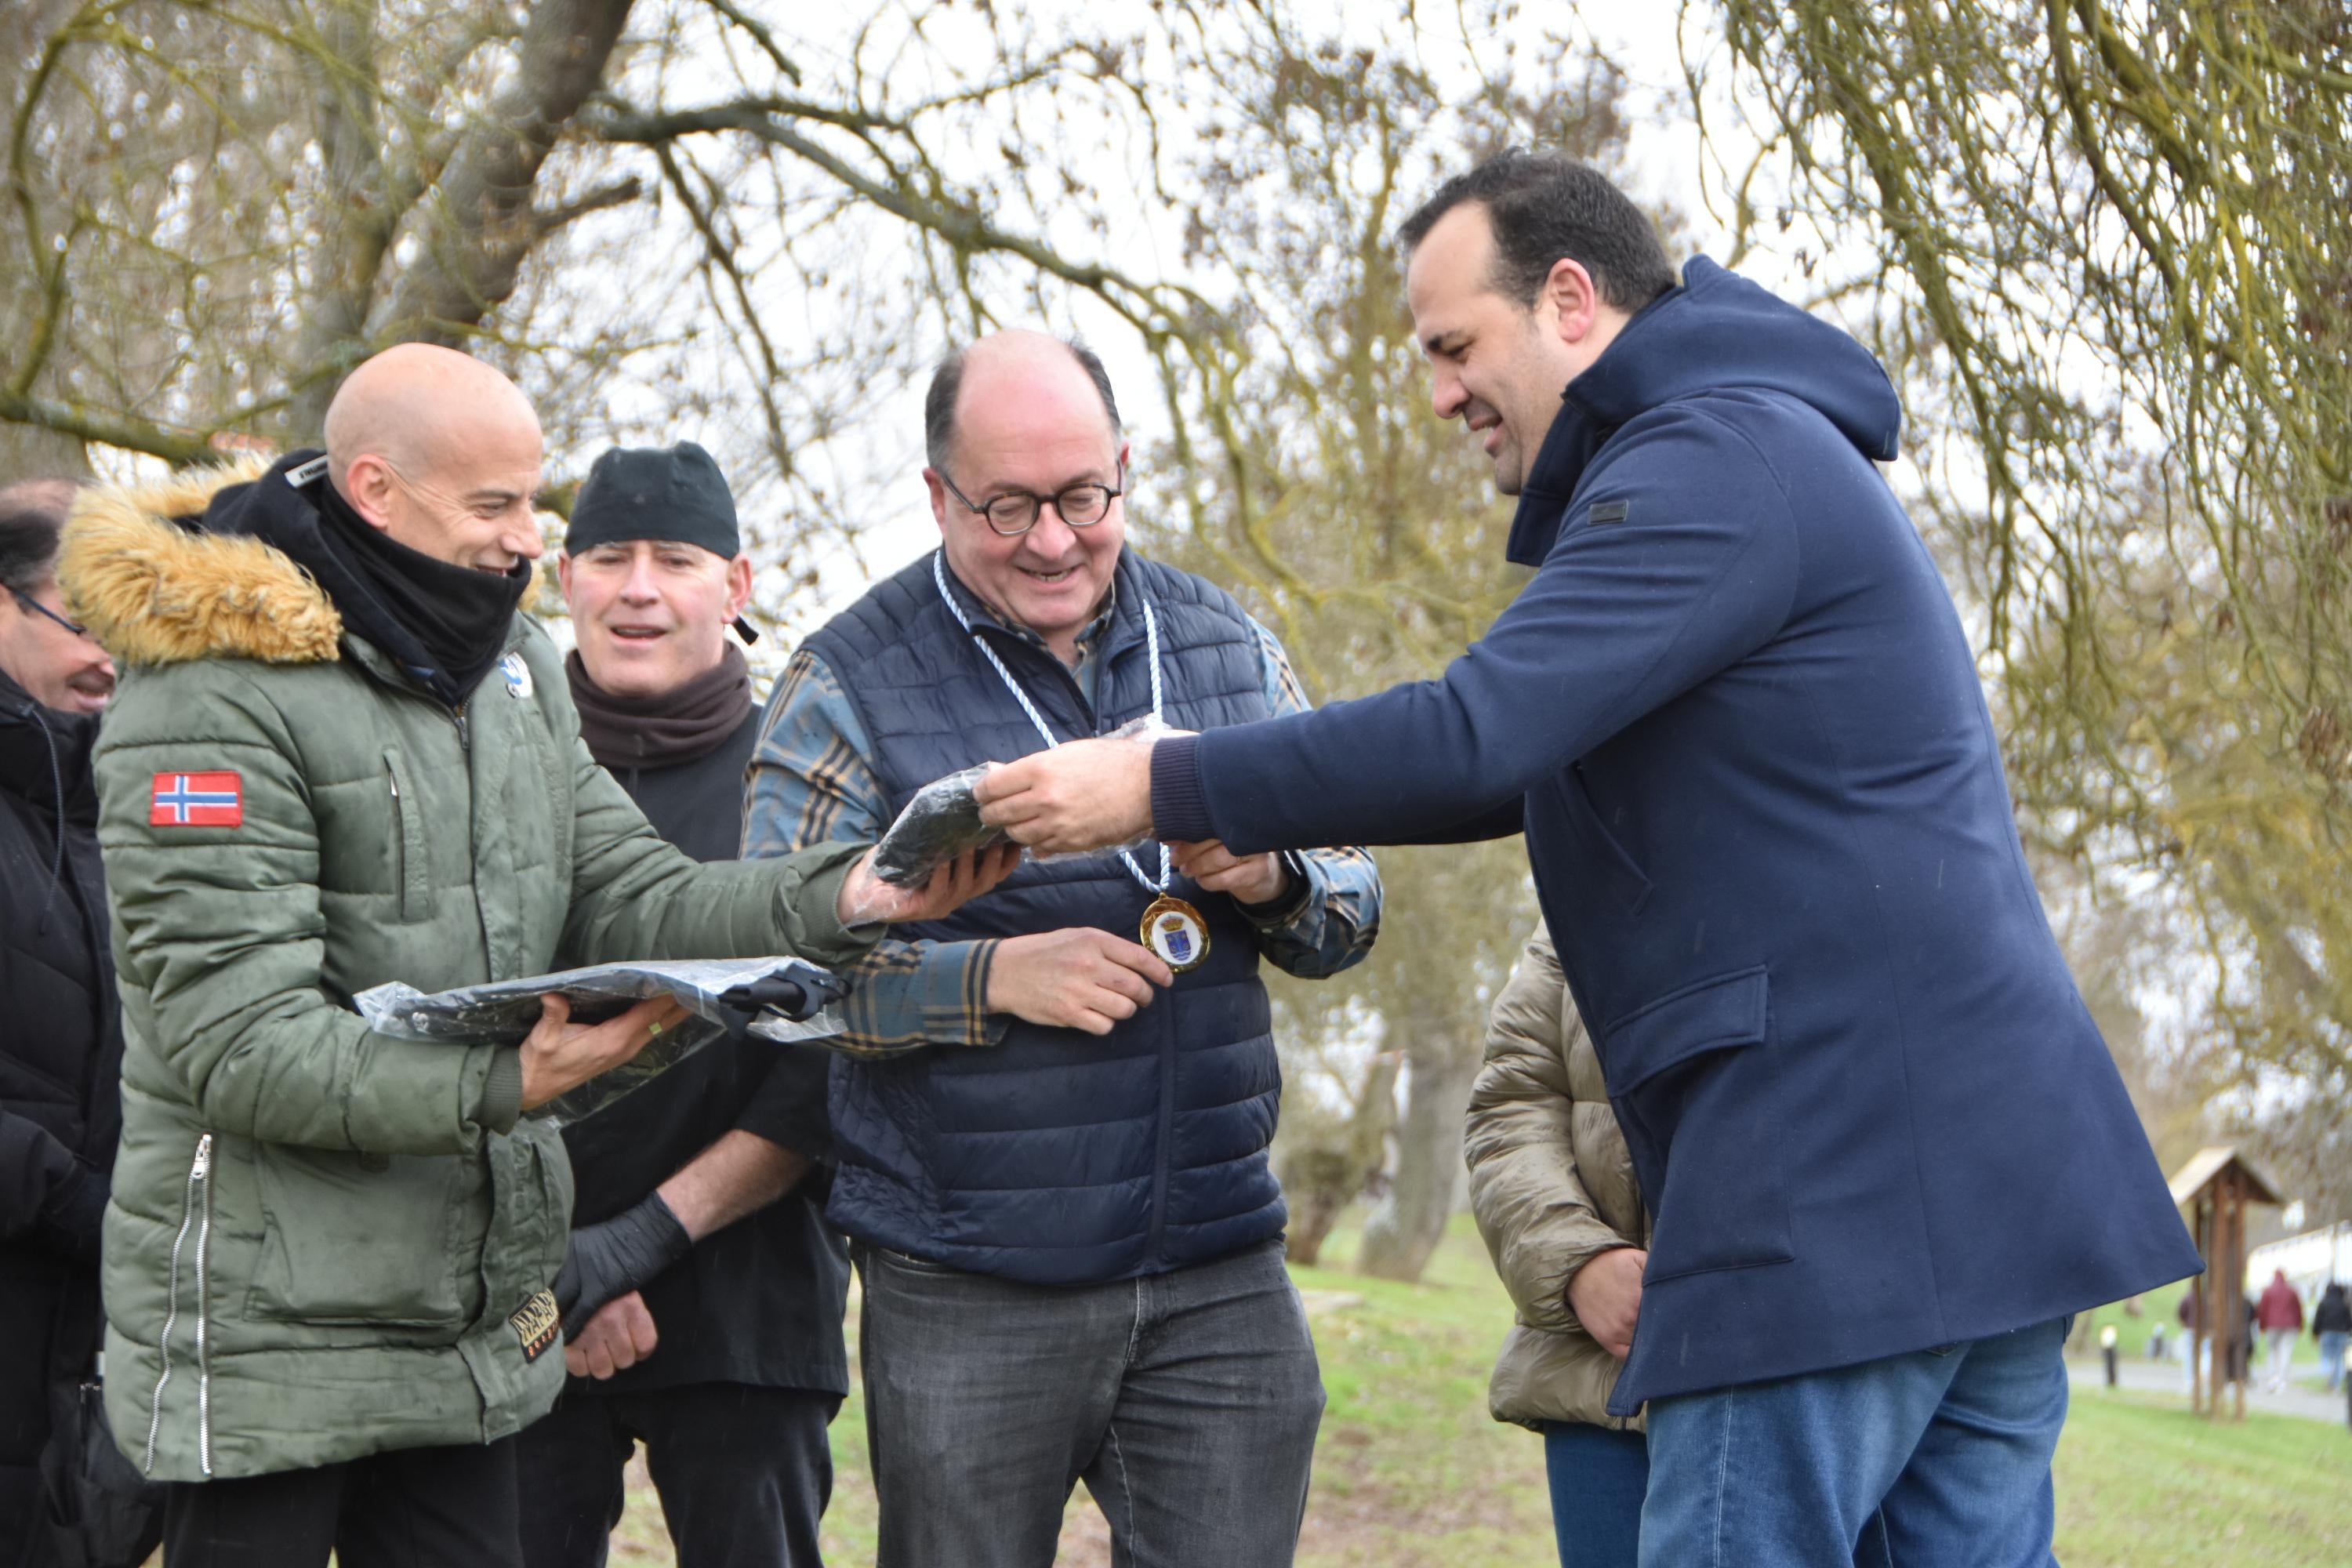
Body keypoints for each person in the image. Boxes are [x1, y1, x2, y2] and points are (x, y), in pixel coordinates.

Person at [971, 151, 2201, 1566]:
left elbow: (1482, 732)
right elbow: (1524, 749)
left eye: (1453, 346)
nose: (1438, 393)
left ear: (1569, 298)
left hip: (1838, 1183)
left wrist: (1158, 778)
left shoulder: (1708, 456)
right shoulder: (1752, 450)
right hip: (1981, 1190)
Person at [56, 344, 1004, 1568]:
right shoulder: (209, 692)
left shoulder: (506, 677)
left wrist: (860, 890)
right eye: (493, 507)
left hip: (462, 1327)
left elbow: (635, 894)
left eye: (530, 504)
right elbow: (240, 1048)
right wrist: (506, 1085)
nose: (524, 544)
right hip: (264, 1339)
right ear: (376, 488)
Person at [742, 329, 1383, 1568]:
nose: (1052, 539)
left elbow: (1352, 906)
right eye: (1007, 506)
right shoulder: (844, 680)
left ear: (1125, 470)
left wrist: (1270, 873)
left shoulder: (1226, 642)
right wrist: (987, 983)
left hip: (1216, 1265)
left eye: (1083, 498)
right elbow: (774, 984)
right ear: (937, 494)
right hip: (971, 1280)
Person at [513, 442, 847, 1567]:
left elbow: (833, 1059)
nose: (640, 587)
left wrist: (640, 1242)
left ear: (737, 586)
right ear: (565, 577)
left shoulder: (804, 785)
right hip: (524, 1300)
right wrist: (562, 1259)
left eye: (677, 559)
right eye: (609, 556)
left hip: (750, 1307)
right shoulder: (491, 772)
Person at [2, 478, 160, 1568]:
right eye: (81, 615)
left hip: (98, 1357)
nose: (112, 653)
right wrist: (71, 1199)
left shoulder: (167, 809)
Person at [1465, 921, 1648, 1567]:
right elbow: (1510, 1105)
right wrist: (1576, 1261)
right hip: (1601, 1379)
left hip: (1798, 1377)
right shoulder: (1583, 887)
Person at [2256, 1269, 2304, 1392]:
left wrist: (2262, 1326)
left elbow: (2262, 1310)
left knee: (2272, 1352)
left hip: (2272, 1325)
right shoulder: (2291, 1291)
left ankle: (2273, 1378)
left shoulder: (2268, 1291)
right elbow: (2298, 1309)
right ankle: (2282, 1379)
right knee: (2285, 1352)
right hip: (2290, 1326)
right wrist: (2300, 1325)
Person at [2313, 1280, 2350, 1396]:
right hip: (2342, 1333)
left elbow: (2318, 1319)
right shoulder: (2344, 1303)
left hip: (2327, 1332)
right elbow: (2349, 1320)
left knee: (2326, 1356)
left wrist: (2315, 1333)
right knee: (2339, 1359)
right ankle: (2335, 1383)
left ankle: (2329, 1378)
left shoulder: (2323, 1302)